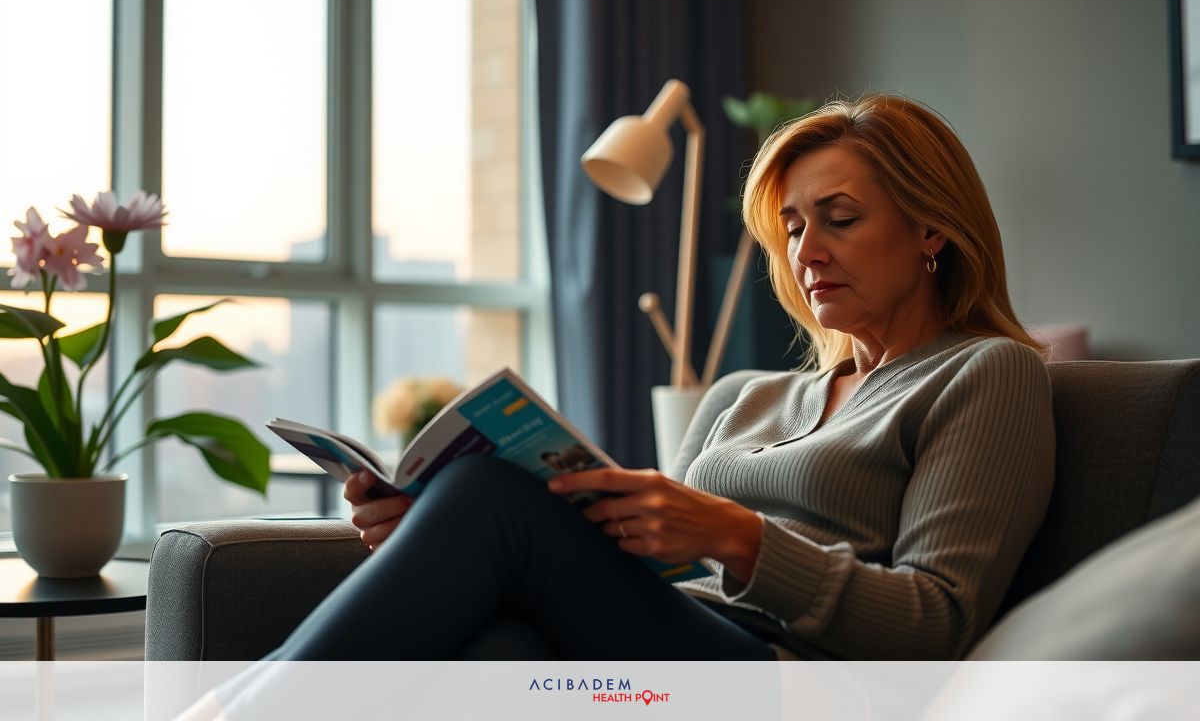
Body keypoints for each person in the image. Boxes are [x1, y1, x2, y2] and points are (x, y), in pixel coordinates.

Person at [266, 95, 1055, 661]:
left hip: (786, 679)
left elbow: (938, 625)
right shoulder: (748, 396)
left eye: (840, 219)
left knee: (486, 495)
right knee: (496, 643)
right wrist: (432, 538)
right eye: (793, 228)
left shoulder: (988, 374)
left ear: (933, 231)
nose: (807, 251)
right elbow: (651, 578)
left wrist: (734, 534)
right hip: (667, 648)